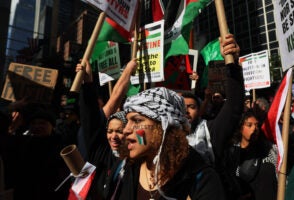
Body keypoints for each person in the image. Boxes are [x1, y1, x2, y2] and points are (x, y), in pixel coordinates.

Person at [104, 87, 225, 199]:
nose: (126, 130)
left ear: (164, 126)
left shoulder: (201, 179)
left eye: (137, 120)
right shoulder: (123, 168)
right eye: (128, 121)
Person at [75, 58, 137, 199]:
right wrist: (87, 83)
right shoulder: (98, 149)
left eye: (119, 131)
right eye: (109, 131)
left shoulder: (135, 158)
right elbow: (91, 110)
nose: (113, 136)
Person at [181, 33, 244, 166]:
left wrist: (231, 63)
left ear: (200, 111)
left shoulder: (210, 133)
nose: (186, 111)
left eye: (192, 107)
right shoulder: (163, 138)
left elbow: (233, 106)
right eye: (181, 107)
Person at [222, 110, 278, 200]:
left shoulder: (269, 150)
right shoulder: (232, 154)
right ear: (240, 128)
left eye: (257, 125)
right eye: (249, 125)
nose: (254, 129)